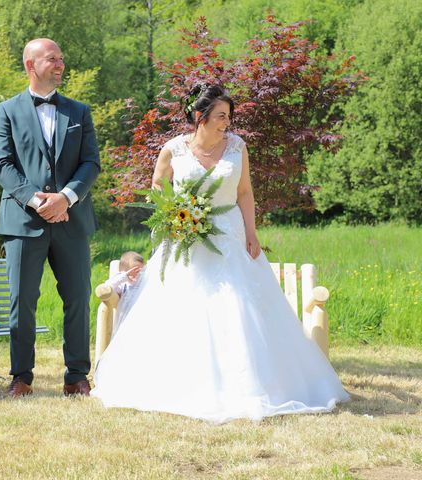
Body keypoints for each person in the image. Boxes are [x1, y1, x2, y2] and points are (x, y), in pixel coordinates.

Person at [92, 85, 349, 423]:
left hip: (229, 234)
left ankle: (252, 386)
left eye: (229, 116)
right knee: (183, 306)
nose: (227, 122)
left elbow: (244, 192)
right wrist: (173, 212)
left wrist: (252, 232)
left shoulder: (237, 147)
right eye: (221, 116)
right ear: (200, 117)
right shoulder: (173, 149)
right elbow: (157, 185)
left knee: (239, 305)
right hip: (184, 238)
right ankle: (178, 383)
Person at [0, 38, 100, 398]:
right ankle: (21, 376)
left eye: (61, 58)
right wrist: (38, 201)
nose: (60, 64)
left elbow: (90, 163)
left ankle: (77, 376)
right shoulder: (5, 110)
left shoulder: (79, 112)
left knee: (78, 299)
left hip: (72, 218)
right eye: (52, 59)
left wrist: (66, 197)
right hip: (23, 221)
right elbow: (1, 165)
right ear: (30, 64)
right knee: (22, 301)